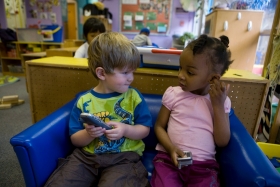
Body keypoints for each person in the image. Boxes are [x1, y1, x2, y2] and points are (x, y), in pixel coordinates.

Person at [44, 32, 153, 187]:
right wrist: (88, 134)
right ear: (102, 73)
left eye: (132, 72)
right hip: (86, 158)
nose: (131, 78)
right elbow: (75, 139)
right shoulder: (84, 101)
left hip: (124, 158)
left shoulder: (133, 97)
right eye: (125, 72)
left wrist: (125, 129)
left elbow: (144, 129)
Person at [150, 34, 233, 187]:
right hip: (169, 161)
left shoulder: (221, 102)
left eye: (190, 72)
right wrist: (171, 148)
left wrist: (217, 105)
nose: (180, 75)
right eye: (180, 68)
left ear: (213, 78)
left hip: (204, 169)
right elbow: (159, 127)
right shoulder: (173, 94)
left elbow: (222, 141)